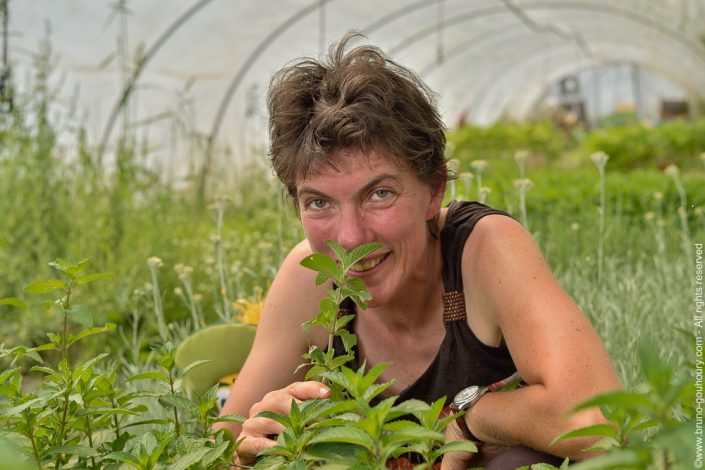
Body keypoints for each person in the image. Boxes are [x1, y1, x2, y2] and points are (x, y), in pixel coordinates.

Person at [215, 32, 621, 469]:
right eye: (319, 203)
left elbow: (600, 424)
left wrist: (475, 418)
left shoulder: (482, 250)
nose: (350, 238)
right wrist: (246, 454)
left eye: (379, 194)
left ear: (434, 189)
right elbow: (219, 448)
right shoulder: (308, 278)